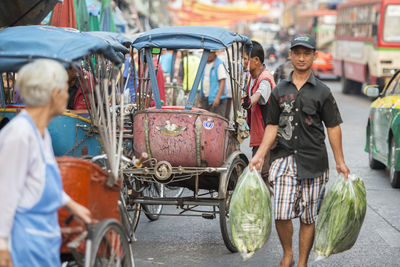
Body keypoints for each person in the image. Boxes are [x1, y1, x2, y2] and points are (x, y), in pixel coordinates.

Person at [249, 34, 350, 267]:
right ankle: (288, 253)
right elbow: (272, 126)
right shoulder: (279, 90)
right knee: (281, 212)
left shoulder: (323, 92)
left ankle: (302, 260)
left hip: (314, 161)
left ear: (314, 56)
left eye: (307, 53)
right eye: (298, 53)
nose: (302, 58)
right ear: (291, 56)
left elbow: (333, 127)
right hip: (283, 158)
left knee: (308, 216)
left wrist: (340, 161)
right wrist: (260, 154)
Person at [0, 59, 92, 267]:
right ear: (54, 94)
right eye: (65, 90)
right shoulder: (19, 135)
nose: (68, 96)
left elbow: (42, 181)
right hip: (23, 244)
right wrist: (2, 244)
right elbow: (4, 193)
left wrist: (73, 206)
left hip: (44, 242)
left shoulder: (42, 133)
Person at [242, 40, 276, 184]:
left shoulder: (265, 78)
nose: (242, 63)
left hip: (267, 136)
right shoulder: (250, 77)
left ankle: (269, 205)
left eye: (244, 59)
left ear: (256, 60)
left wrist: (250, 101)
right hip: (258, 134)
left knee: (264, 174)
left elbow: (259, 94)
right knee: (256, 172)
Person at [200, 50, 228, 118]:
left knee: (217, 120)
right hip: (206, 97)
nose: (209, 55)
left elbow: (222, 81)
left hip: (217, 99)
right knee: (205, 119)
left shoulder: (219, 64)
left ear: (214, 53)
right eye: (207, 53)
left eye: (210, 53)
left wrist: (217, 97)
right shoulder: (204, 64)